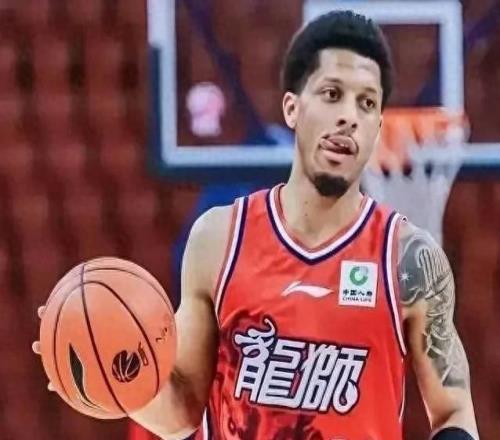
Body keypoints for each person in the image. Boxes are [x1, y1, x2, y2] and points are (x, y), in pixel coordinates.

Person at [34, 10, 479, 440]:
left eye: (367, 102)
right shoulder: (218, 240)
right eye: (331, 94)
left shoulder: (409, 259)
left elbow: (453, 409)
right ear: (292, 108)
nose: (349, 116)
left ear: (378, 125)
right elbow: (181, 414)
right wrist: (113, 374)